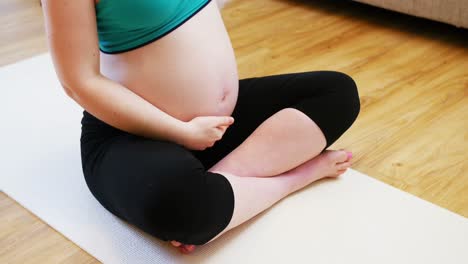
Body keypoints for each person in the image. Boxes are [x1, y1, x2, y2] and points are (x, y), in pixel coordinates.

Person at [41, 0, 360, 254]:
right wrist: (179, 131)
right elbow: (78, 82)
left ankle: (219, 190)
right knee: (181, 205)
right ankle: (297, 177)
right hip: (129, 132)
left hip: (216, 126)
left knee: (337, 93)